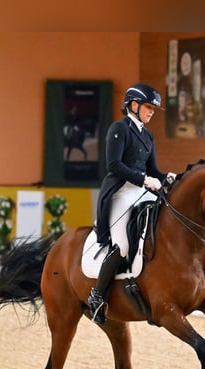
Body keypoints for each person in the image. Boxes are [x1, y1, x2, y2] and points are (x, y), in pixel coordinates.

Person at [88, 82, 176, 324]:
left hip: (144, 191)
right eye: (149, 107)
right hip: (121, 193)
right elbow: (114, 165)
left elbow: (154, 170)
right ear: (134, 105)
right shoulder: (119, 129)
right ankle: (97, 295)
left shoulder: (148, 135)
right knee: (123, 246)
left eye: (153, 108)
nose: (152, 112)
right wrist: (144, 179)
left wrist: (168, 177)